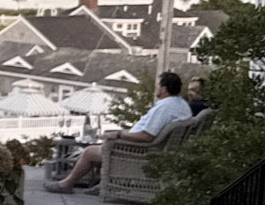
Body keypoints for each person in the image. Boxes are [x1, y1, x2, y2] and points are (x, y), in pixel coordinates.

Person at [45, 69, 192, 192]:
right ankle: (103, 186)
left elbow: (146, 135)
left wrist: (119, 134)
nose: (156, 89)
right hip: (156, 149)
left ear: (163, 89)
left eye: (158, 85)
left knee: (89, 152)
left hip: (139, 151)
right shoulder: (182, 105)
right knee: (98, 147)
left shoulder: (164, 107)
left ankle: (67, 184)